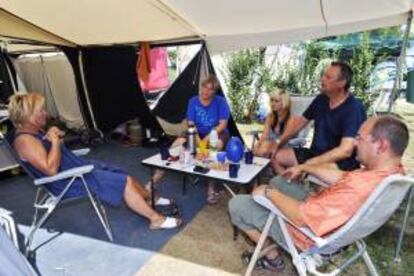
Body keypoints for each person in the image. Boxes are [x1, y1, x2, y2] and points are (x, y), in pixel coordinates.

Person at [229, 115, 408, 271]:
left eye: (360, 138)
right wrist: (306, 167)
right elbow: (344, 178)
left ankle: (273, 259)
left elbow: (300, 218)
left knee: (238, 204)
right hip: (327, 217)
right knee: (280, 181)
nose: (354, 142)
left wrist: (267, 192)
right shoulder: (391, 174)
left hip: (308, 235)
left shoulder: (358, 189)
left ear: (381, 145)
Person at [8, 93, 181, 230]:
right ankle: (155, 219)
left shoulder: (34, 131)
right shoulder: (25, 141)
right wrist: (54, 141)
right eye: (40, 111)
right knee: (124, 182)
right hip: (67, 180)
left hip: (75, 168)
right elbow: (51, 170)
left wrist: (55, 138)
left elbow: (51, 153)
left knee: (121, 172)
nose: (45, 113)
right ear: (28, 116)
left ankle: (150, 198)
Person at [148, 75, 231, 205]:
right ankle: (152, 184)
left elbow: (222, 125)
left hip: (216, 132)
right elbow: (191, 124)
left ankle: (211, 188)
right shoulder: (193, 100)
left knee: (215, 148)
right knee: (175, 146)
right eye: (204, 87)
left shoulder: (220, 102)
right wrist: (197, 139)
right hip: (195, 131)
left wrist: (207, 139)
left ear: (215, 92)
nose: (206, 91)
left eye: (210, 89)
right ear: (201, 86)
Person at [272, 61, 366, 174]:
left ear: (341, 83)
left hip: (339, 164)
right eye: (323, 75)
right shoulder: (321, 99)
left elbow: (345, 150)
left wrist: (310, 163)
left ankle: (301, 185)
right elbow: (298, 124)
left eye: (328, 77)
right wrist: (278, 144)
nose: (322, 79)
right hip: (315, 154)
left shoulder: (354, 108)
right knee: (275, 157)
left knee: (315, 179)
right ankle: (291, 186)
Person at [254, 89, 292, 157]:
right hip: (268, 144)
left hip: (282, 145)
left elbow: (285, 138)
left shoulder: (289, 119)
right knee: (257, 149)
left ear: (284, 102)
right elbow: (264, 135)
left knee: (264, 148)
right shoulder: (270, 116)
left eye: (276, 101)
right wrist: (258, 144)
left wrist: (271, 144)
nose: (273, 103)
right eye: (272, 100)